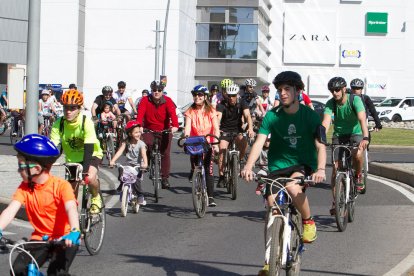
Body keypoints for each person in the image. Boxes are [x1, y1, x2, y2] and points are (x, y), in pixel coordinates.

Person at [241, 71, 326, 275]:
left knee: (292, 186)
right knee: (271, 208)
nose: (282, 93)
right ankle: (269, 261)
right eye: (280, 90)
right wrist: (248, 166)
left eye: (287, 89)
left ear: (298, 91)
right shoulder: (272, 115)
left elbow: (321, 146)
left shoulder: (310, 116)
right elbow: (259, 141)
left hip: (302, 163)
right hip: (277, 166)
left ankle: (308, 221)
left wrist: (321, 169)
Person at [0, 134, 80, 275]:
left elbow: (71, 207)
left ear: (36, 168)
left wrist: (75, 231)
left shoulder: (61, 186)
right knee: (18, 270)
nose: (18, 170)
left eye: (21, 166)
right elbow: (11, 210)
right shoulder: (24, 188)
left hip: (64, 239)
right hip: (40, 238)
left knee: (56, 273)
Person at [50, 89, 104, 214]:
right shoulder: (59, 124)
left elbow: (89, 147)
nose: (68, 111)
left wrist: (85, 171)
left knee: (89, 178)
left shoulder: (86, 122)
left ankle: (95, 196)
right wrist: (44, 165)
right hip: (72, 159)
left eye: (72, 108)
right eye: (66, 108)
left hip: (92, 154)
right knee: (70, 195)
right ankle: (74, 225)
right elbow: (53, 147)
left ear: (79, 108)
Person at [322, 77, 370, 202]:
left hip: (356, 133)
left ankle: (358, 175)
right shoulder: (331, 103)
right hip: (339, 135)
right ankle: (336, 203)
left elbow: (362, 119)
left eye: (337, 90)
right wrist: (321, 138)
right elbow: (326, 123)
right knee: (335, 169)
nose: (334, 93)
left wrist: (365, 137)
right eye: (332, 90)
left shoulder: (355, 100)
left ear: (344, 89)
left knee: (358, 154)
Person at [135, 80, 179, 189]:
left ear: (162, 91)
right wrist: (139, 126)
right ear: (151, 91)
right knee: (147, 145)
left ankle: (165, 178)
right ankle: (148, 161)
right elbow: (140, 114)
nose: (157, 92)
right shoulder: (145, 100)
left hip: (164, 130)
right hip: (149, 129)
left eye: (159, 90)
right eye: (154, 90)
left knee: (165, 153)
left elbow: (173, 114)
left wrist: (175, 126)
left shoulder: (168, 100)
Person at [184, 85, 220, 207]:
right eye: (195, 95)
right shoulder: (190, 111)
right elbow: (187, 127)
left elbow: (215, 127)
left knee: (209, 170)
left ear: (205, 97)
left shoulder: (211, 110)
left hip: (208, 143)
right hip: (194, 143)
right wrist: (186, 137)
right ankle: (194, 173)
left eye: (199, 95)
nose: (197, 97)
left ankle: (210, 196)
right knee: (195, 166)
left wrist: (216, 143)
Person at [216, 83, 254, 188]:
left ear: (237, 94)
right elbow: (218, 117)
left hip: (237, 130)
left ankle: (240, 160)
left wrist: (250, 128)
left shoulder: (242, 102)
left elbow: (247, 115)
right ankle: (221, 176)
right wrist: (217, 129)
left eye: (233, 95)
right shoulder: (221, 104)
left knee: (244, 143)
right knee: (222, 150)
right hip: (225, 130)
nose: (231, 98)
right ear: (226, 95)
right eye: (229, 95)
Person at [110, 121, 148, 203]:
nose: (138, 134)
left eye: (139, 132)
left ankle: (140, 194)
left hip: (138, 165)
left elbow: (144, 156)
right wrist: (113, 161)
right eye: (136, 132)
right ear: (130, 134)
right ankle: (121, 183)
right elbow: (119, 152)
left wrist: (145, 164)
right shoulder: (126, 142)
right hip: (129, 163)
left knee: (136, 179)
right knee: (121, 168)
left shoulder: (141, 144)